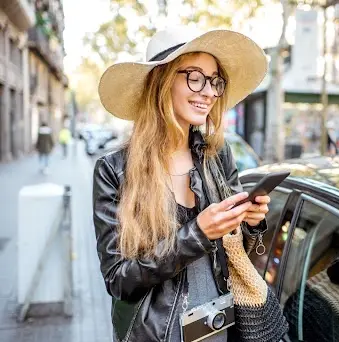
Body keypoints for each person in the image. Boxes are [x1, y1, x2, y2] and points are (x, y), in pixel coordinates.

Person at [93, 27, 272, 342]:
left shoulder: (218, 155)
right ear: (162, 81)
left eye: (214, 81)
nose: (208, 92)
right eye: (195, 77)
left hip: (222, 327)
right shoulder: (113, 171)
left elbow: (235, 252)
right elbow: (119, 280)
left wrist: (251, 224)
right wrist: (198, 234)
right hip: (157, 334)